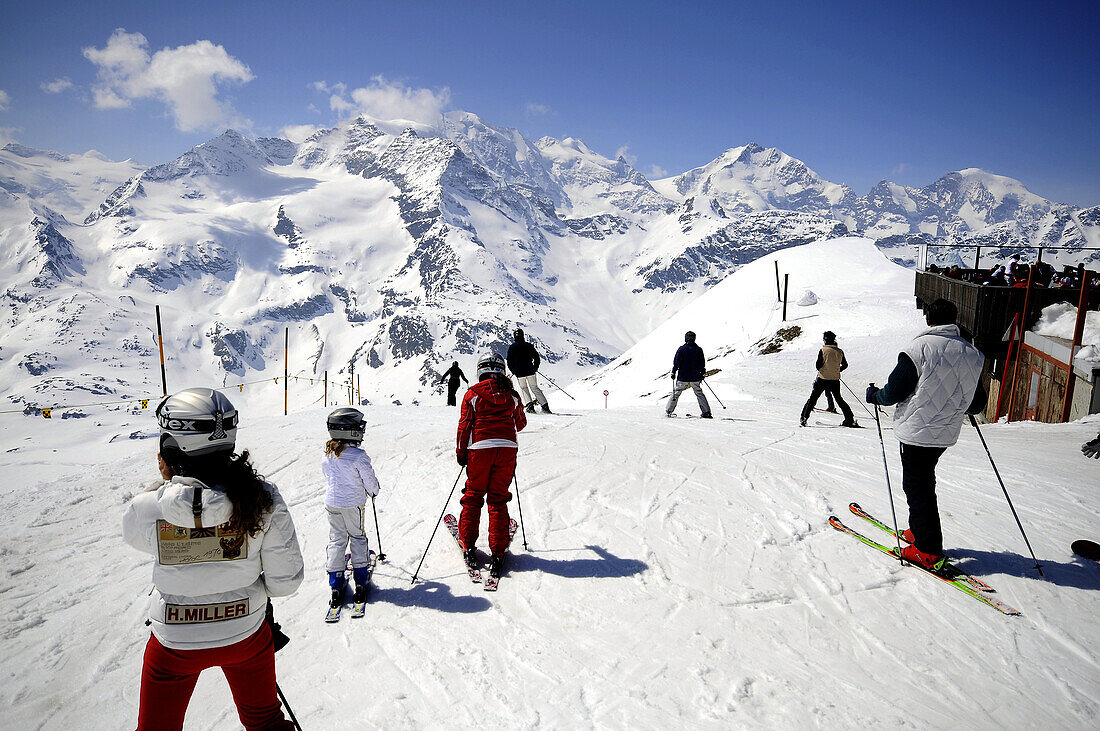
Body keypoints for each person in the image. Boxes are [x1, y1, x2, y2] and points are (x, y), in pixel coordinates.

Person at [123, 388, 303, 730]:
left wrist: (168, 489)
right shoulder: (262, 499)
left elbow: (135, 536)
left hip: (174, 643)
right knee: (265, 721)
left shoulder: (147, 509)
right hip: (245, 635)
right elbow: (286, 582)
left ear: (173, 449)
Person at [865, 299, 985, 570]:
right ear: (954, 318)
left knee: (918, 487)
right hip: (946, 432)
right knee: (921, 482)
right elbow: (977, 404)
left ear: (928, 319)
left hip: (917, 430)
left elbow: (894, 391)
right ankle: (920, 531)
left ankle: (927, 548)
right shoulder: (973, 354)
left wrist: (875, 396)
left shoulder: (917, 349)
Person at [456, 352, 528, 577]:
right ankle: (498, 551)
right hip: (507, 449)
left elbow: (464, 426)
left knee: (474, 494)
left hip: (479, 449)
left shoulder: (472, 394)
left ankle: (468, 545)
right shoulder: (512, 395)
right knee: (497, 497)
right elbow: (521, 423)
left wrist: (461, 453)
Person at [322, 407, 380, 608]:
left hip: (332, 503)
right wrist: (374, 491)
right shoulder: (358, 455)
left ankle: (336, 585)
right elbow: (370, 482)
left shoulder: (328, 454)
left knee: (337, 539)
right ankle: (361, 582)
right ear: (350, 430)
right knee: (357, 537)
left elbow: (328, 476)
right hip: (353, 504)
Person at [800, 331, 858, 428]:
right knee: (839, 399)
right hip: (835, 379)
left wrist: (826, 369)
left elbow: (818, 366)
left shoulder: (823, 350)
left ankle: (804, 418)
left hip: (822, 378)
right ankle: (850, 419)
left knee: (813, 399)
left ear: (825, 340)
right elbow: (845, 365)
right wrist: (836, 370)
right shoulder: (840, 351)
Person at [666, 331, 711, 418]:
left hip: (683, 376)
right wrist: (702, 373)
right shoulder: (698, 349)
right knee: (699, 393)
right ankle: (706, 412)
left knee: (677, 392)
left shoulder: (681, 349)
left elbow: (676, 362)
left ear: (686, 338)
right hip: (695, 376)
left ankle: (669, 410)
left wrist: (673, 372)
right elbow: (702, 363)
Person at [507, 328, 550, 414]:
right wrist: (535, 368)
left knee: (524, 388)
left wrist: (513, 371)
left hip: (519, 373)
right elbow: (536, 358)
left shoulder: (512, 347)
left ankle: (530, 406)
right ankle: (544, 406)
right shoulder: (529, 346)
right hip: (530, 371)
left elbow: (509, 361)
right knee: (535, 388)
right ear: (523, 336)